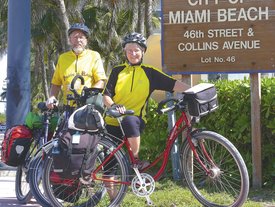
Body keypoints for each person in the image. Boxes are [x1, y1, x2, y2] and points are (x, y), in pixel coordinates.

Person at [103, 32, 190, 170]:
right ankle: (115, 192)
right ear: (125, 52)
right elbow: (106, 96)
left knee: (129, 120)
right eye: (129, 50)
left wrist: (193, 91)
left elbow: (173, 84)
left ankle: (135, 160)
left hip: (135, 120)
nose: (133, 54)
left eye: (136, 50)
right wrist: (114, 105)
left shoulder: (150, 73)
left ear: (143, 51)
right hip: (113, 121)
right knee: (109, 166)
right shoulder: (117, 71)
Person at [46, 23, 107, 109]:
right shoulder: (62, 58)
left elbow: (101, 81)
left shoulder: (94, 56)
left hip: (88, 107)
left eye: (81, 37)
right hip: (68, 107)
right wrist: (52, 97)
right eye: (75, 37)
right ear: (70, 40)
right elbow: (56, 83)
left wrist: (88, 95)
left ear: (86, 40)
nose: (78, 40)